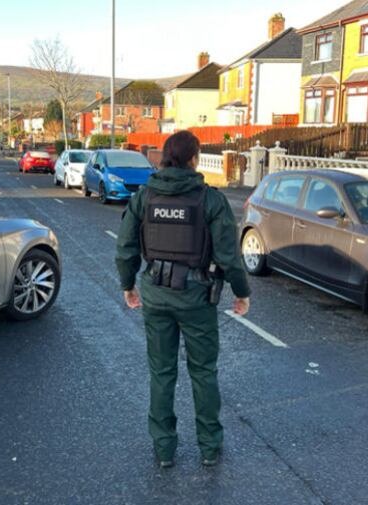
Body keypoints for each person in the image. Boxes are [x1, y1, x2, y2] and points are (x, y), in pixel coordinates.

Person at [115, 130, 251, 468]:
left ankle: (164, 450)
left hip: (156, 293)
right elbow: (229, 255)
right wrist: (241, 292)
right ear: (194, 158)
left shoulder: (144, 198)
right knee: (203, 372)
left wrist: (128, 285)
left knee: (162, 374)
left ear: (164, 157)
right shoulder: (210, 199)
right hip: (195, 296)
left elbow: (125, 247)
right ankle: (209, 448)